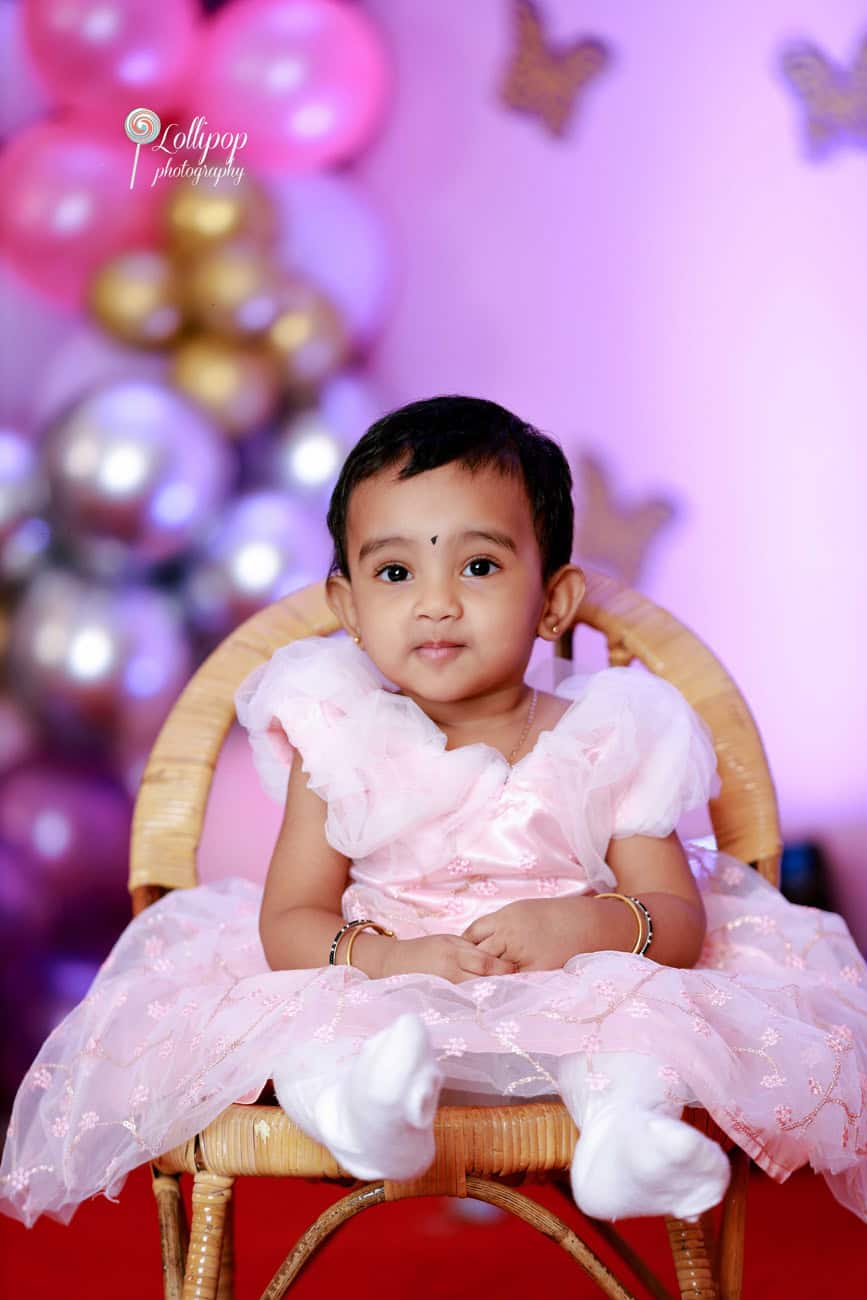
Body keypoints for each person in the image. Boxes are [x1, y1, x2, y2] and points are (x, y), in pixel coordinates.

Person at [2, 396, 865, 1230]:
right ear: (347, 606)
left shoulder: (609, 736)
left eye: (479, 566)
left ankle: (624, 1140)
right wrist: (386, 957)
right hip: (391, 988)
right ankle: (362, 1112)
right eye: (394, 571)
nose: (436, 601)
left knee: (638, 1026)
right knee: (308, 1027)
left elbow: (678, 924)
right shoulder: (342, 742)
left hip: (564, 992)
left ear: (554, 599)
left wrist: (588, 925)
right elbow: (289, 921)